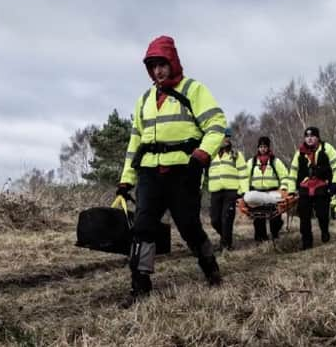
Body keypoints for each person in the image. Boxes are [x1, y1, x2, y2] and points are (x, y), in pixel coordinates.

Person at [116, 35, 226, 306]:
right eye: (152, 66)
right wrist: (125, 180)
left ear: (173, 62)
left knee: (189, 226)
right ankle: (140, 286)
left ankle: (210, 267)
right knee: (142, 228)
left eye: (161, 64)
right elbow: (135, 143)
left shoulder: (194, 90)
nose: (157, 71)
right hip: (149, 174)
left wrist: (201, 155)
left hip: (183, 171)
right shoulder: (144, 100)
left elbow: (216, 123)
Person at [286, 127, 336, 250]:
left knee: (322, 214)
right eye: (307, 136)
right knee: (304, 216)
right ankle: (307, 242)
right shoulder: (299, 152)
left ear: (318, 137)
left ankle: (325, 231)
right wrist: (291, 190)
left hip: (322, 185)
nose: (310, 138)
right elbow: (293, 172)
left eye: (312, 136)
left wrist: (334, 185)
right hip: (305, 187)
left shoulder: (327, 148)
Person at [207, 128, 247, 250]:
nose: (226, 139)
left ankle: (226, 245)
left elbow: (243, 173)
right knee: (214, 220)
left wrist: (243, 191)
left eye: (228, 137)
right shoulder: (211, 154)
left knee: (227, 218)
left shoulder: (235, 154)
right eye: (224, 136)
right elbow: (204, 172)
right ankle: (226, 237)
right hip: (215, 191)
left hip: (231, 191)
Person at [246, 136, 289, 241]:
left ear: (268, 148)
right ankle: (261, 239)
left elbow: (284, 176)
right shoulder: (252, 162)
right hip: (257, 193)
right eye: (261, 147)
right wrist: (244, 192)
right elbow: (245, 178)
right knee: (258, 217)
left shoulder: (275, 162)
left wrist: (283, 189)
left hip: (273, 192)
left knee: (274, 216)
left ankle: (275, 235)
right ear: (258, 148)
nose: (263, 149)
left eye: (265, 146)